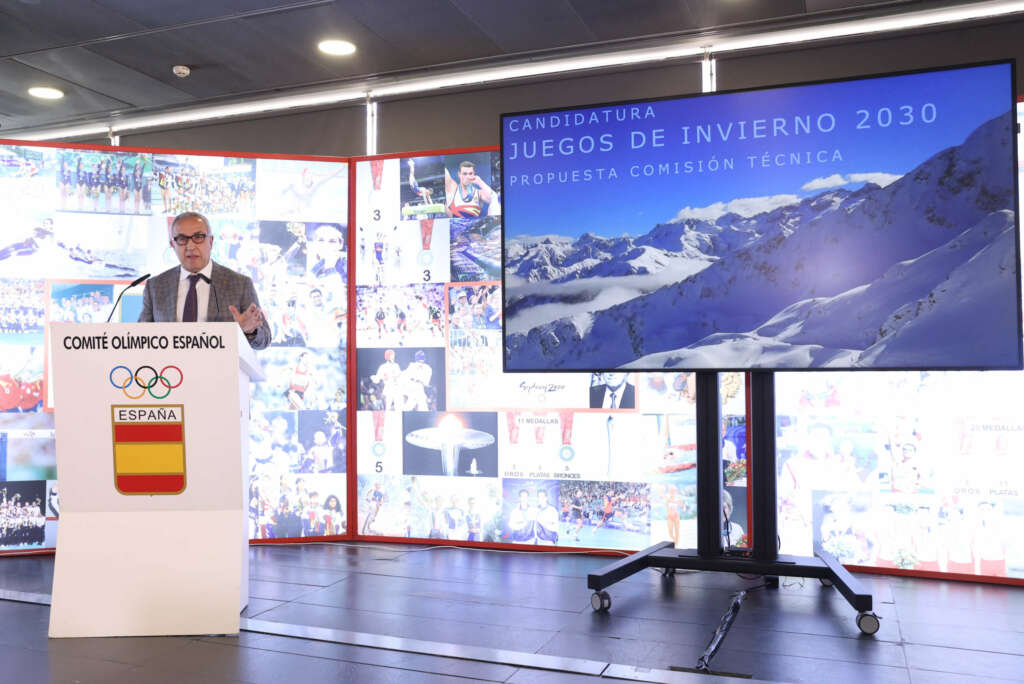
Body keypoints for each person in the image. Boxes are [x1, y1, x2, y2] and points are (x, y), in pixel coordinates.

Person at [138, 211, 271, 349]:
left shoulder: (239, 284)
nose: (190, 246)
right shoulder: (155, 286)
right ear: (173, 244)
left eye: (198, 237)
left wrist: (250, 331)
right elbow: (140, 339)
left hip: (219, 369)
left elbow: (264, 339)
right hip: (170, 369)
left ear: (211, 241)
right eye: (182, 239)